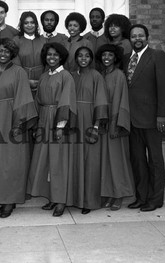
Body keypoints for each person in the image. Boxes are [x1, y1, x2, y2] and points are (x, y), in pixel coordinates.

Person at [0, 39, 38, 218]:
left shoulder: (18, 72)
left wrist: (18, 124)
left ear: (12, 54)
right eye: (0, 51)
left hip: (11, 118)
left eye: (7, 52)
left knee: (11, 161)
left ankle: (10, 200)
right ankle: (1, 196)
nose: (3, 54)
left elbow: (23, 97)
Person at [124, 24, 165, 212]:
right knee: (137, 161)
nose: (137, 39)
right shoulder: (126, 58)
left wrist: (162, 115)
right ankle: (141, 196)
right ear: (129, 39)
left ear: (147, 37)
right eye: (134, 36)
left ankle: (155, 199)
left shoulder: (157, 56)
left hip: (152, 119)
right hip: (131, 119)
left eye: (141, 36)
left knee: (155, 161)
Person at [28, 42, 77, 217]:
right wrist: (37, 124)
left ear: (61, 57)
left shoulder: (66, 76)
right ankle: (52, 197)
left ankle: (61, 200)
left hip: (57, 119)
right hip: (44, 119)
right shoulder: (44, 76)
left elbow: (66, 101)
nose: (52, 58)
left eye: (56, 55)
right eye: (49, 55)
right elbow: (38, 101)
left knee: (58, 161)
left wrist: (60, 126)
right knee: (47, 160)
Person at [67, 46, 108, 214]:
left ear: (91, 59)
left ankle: (89, 201)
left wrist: (96, 126)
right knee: (75, 161)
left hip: (89, 121)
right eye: (80, 56)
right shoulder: (71, 77)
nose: (83, 59)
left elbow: (101, 101)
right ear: (75, 58)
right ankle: (75, 198)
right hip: (74, 121)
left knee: (90, 162)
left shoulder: (96, 76)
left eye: (87, 56)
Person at [96, 44, 134, 211]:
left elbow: (122, 100)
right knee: (105, 161)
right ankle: (108, 193)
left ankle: (119, 195)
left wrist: (118, 124)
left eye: (110, 55)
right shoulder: (100, 75)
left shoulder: (119, 75)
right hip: (102, 122)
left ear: (115, 58)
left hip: (115, 123)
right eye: (104, 55)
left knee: (117, 162)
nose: (106, 58)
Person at [13, 11, 47, 94]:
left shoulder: (43, 40)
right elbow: (15, 64)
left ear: (36, 24)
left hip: (42, 80)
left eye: (32, 22)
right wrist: (26, 81)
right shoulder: (16, 41)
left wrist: (43, 79)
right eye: (26, 23)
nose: (29, 25)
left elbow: (48, 61)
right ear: (22, 25)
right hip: (23, 81)